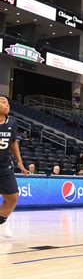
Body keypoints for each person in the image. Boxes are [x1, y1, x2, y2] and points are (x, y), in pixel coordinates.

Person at [0, 95, 28, 238]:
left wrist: (20, 162)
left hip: (4, 166)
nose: (7, 105)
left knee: (13, 197)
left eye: (8, 103)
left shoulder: (12, 122)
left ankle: (2, 222)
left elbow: (13, 143)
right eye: (3, 102)